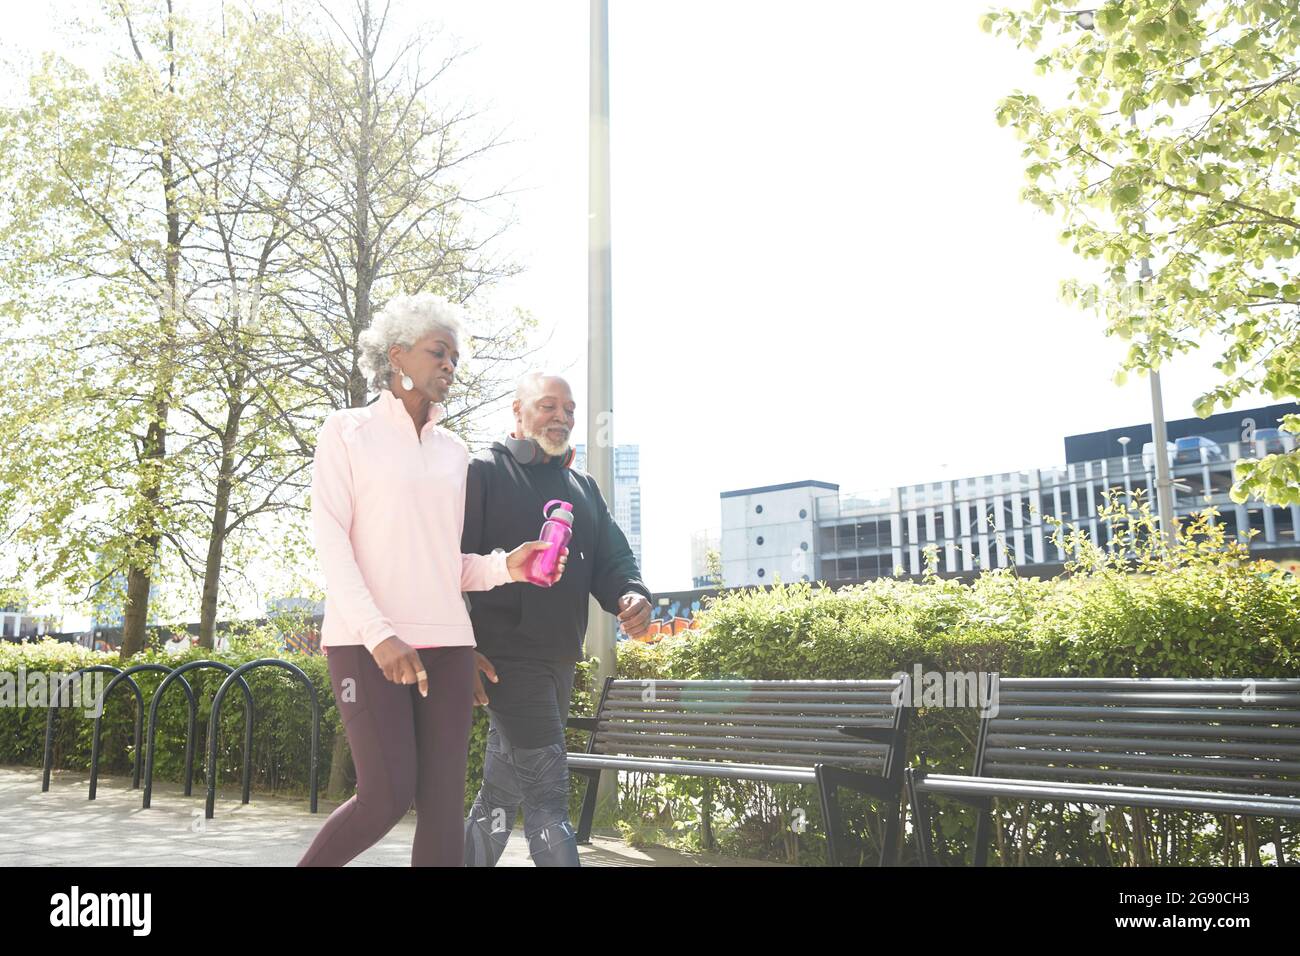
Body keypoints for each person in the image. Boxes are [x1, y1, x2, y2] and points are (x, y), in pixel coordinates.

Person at [297, 295, 566, 867]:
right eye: (437, 352)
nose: (449, 365)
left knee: (444, 810)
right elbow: (332, 544)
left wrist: (505, 566)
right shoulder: (347, 431)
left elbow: (448, 562)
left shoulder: (454, 452)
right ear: (397, 355)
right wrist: (379, 635)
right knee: (385, 796)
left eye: (455, 357)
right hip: (367, 643)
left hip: (447, 646)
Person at [462, 372, 652, 867]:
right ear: (517, 410)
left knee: (499, 800)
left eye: (569, 409)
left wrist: (631, 596)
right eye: (548, 406)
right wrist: (460, 647)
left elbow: (615, 563)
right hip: (505, 660)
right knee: (549, 801)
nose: (562, 417)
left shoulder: (583, 488)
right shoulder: (481, 473)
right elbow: (448, 564)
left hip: (559, 659)